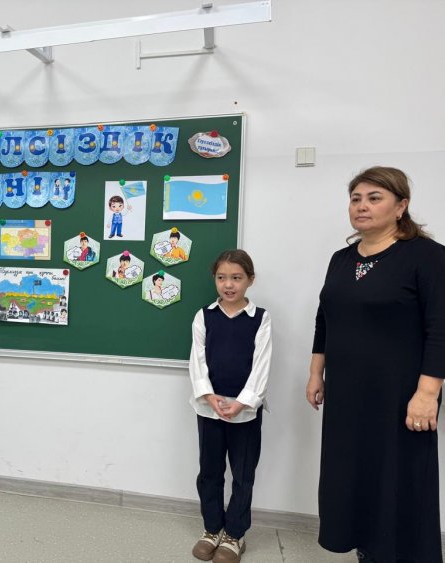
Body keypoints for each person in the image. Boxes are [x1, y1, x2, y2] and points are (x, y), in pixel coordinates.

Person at [305, 166, 445, 562]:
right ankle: (366, 551)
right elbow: (324, 318)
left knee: (397, 479)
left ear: (401, 206)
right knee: (352, 476)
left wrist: (427, 393)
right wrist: (316, 373)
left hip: (401, 395)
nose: (361, 206)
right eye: (355, 199)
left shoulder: (427, 257)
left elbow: (440, 327)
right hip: (347, 394)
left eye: (374, 198)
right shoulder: (341, 259)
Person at [189, 249, 272, 563]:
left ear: (250, 280)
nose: (228, 284)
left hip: (245, 413)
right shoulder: (204, 316)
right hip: (209, 409)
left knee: (242, 474)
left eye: (236, 278)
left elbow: (261, 365)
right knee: (210, 472)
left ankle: (235, 534)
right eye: (222, 277)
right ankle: (212, 529)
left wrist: (242, 403)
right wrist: (209, 396)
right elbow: (197, 361)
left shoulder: (260, 318)